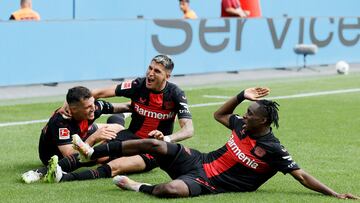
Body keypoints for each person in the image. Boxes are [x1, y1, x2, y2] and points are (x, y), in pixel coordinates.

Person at [70, 87, 359, 199]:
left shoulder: (273, 149)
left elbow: (303, 175)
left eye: (249, 115)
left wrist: (334, 194)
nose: (243, 117)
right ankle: (94, 150)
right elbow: (219, 114)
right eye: (245, 113)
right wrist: (241, 95)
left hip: (211, 183)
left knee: (171, 189)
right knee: (155, 144)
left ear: (263, 122)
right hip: (199, 161)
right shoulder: (242, 126)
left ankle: (136, 186)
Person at [44, 54, 194, 183]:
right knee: (96, 155)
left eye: (157, 71)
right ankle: (41, 172)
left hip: (155, 147)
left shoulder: (176, 94)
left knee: (115, 166)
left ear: (167, 76)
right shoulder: (137, 85)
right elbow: (99, 92)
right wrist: (67, 103)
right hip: (129, 137)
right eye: (150, 68)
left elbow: (188, 130)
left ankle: (64, 178)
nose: (150, 73)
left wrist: (166, 139)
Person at [21, 86, 128, 183]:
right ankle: (41, 172)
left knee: (118, 129)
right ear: (73, 109)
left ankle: (120, 116)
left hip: (81, 133)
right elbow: (70, 154)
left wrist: (138, 107)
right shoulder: (60, 122)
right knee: (101, 157)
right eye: (88, 107)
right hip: (56, 155)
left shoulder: (93, 107)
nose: (93, 108)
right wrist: (94, 138)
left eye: (93, 103)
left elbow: (124, 106)